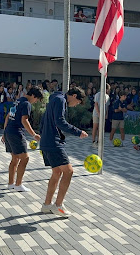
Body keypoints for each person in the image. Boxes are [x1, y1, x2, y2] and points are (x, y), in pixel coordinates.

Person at [40, 87, 89, 217]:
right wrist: (78, 132)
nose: (76, 105)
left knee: (56, 172)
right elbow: (60, 122)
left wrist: (42, 136)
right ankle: (58, 206)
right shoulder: (61, 100)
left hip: (46, 140)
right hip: (53, 142)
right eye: (77, 101)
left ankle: (47, 205)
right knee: (69, 171)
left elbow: (44, 120)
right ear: (73, 95)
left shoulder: (54, 99)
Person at [2, 86, 43, 192]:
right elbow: (24, 120)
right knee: (25, 158)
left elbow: (8, 116)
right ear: (33, 96)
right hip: (16, 133)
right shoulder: (26, 104)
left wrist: (4, 133)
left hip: (9, 132)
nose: (35, 102)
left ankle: (11, 183)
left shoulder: (18, 101)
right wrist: (34, 135)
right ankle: (18, 184)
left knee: (15, 158)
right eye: (36, 99)